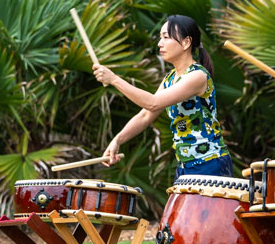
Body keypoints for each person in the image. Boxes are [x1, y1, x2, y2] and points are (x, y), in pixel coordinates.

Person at [93, 14, 232, 180]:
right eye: (160, 37)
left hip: (210, 162)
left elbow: (153, 103)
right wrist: (118, 140)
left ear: (186, 42)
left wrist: (114, 79)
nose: (160, 43)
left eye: (166, 37)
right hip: (185, 165)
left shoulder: (197, 76)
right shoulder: (171, 78)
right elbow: (145, 115)